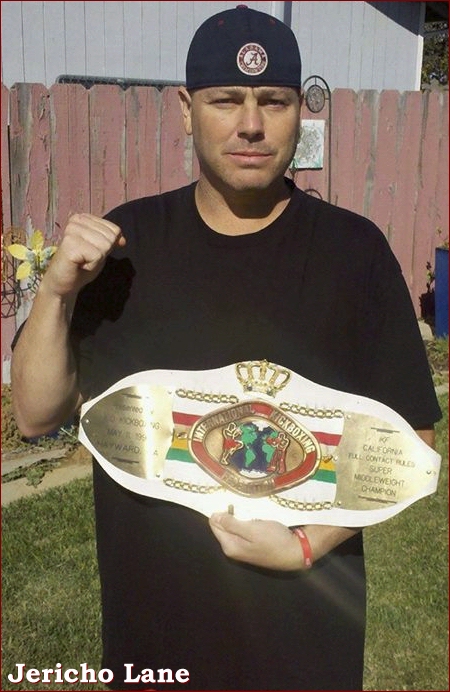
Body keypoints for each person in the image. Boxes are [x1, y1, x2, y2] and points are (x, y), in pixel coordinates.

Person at [11, 6, 441, 691]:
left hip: (305, 645)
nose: (251, 123)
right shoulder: (128, 248)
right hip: (154, 637)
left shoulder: (353, 252)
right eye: (225, 100)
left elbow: (410, 441)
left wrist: (304, 547)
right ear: (187, 111)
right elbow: (36, 415)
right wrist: (56, 292)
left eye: (273, 101)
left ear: (299, 112)